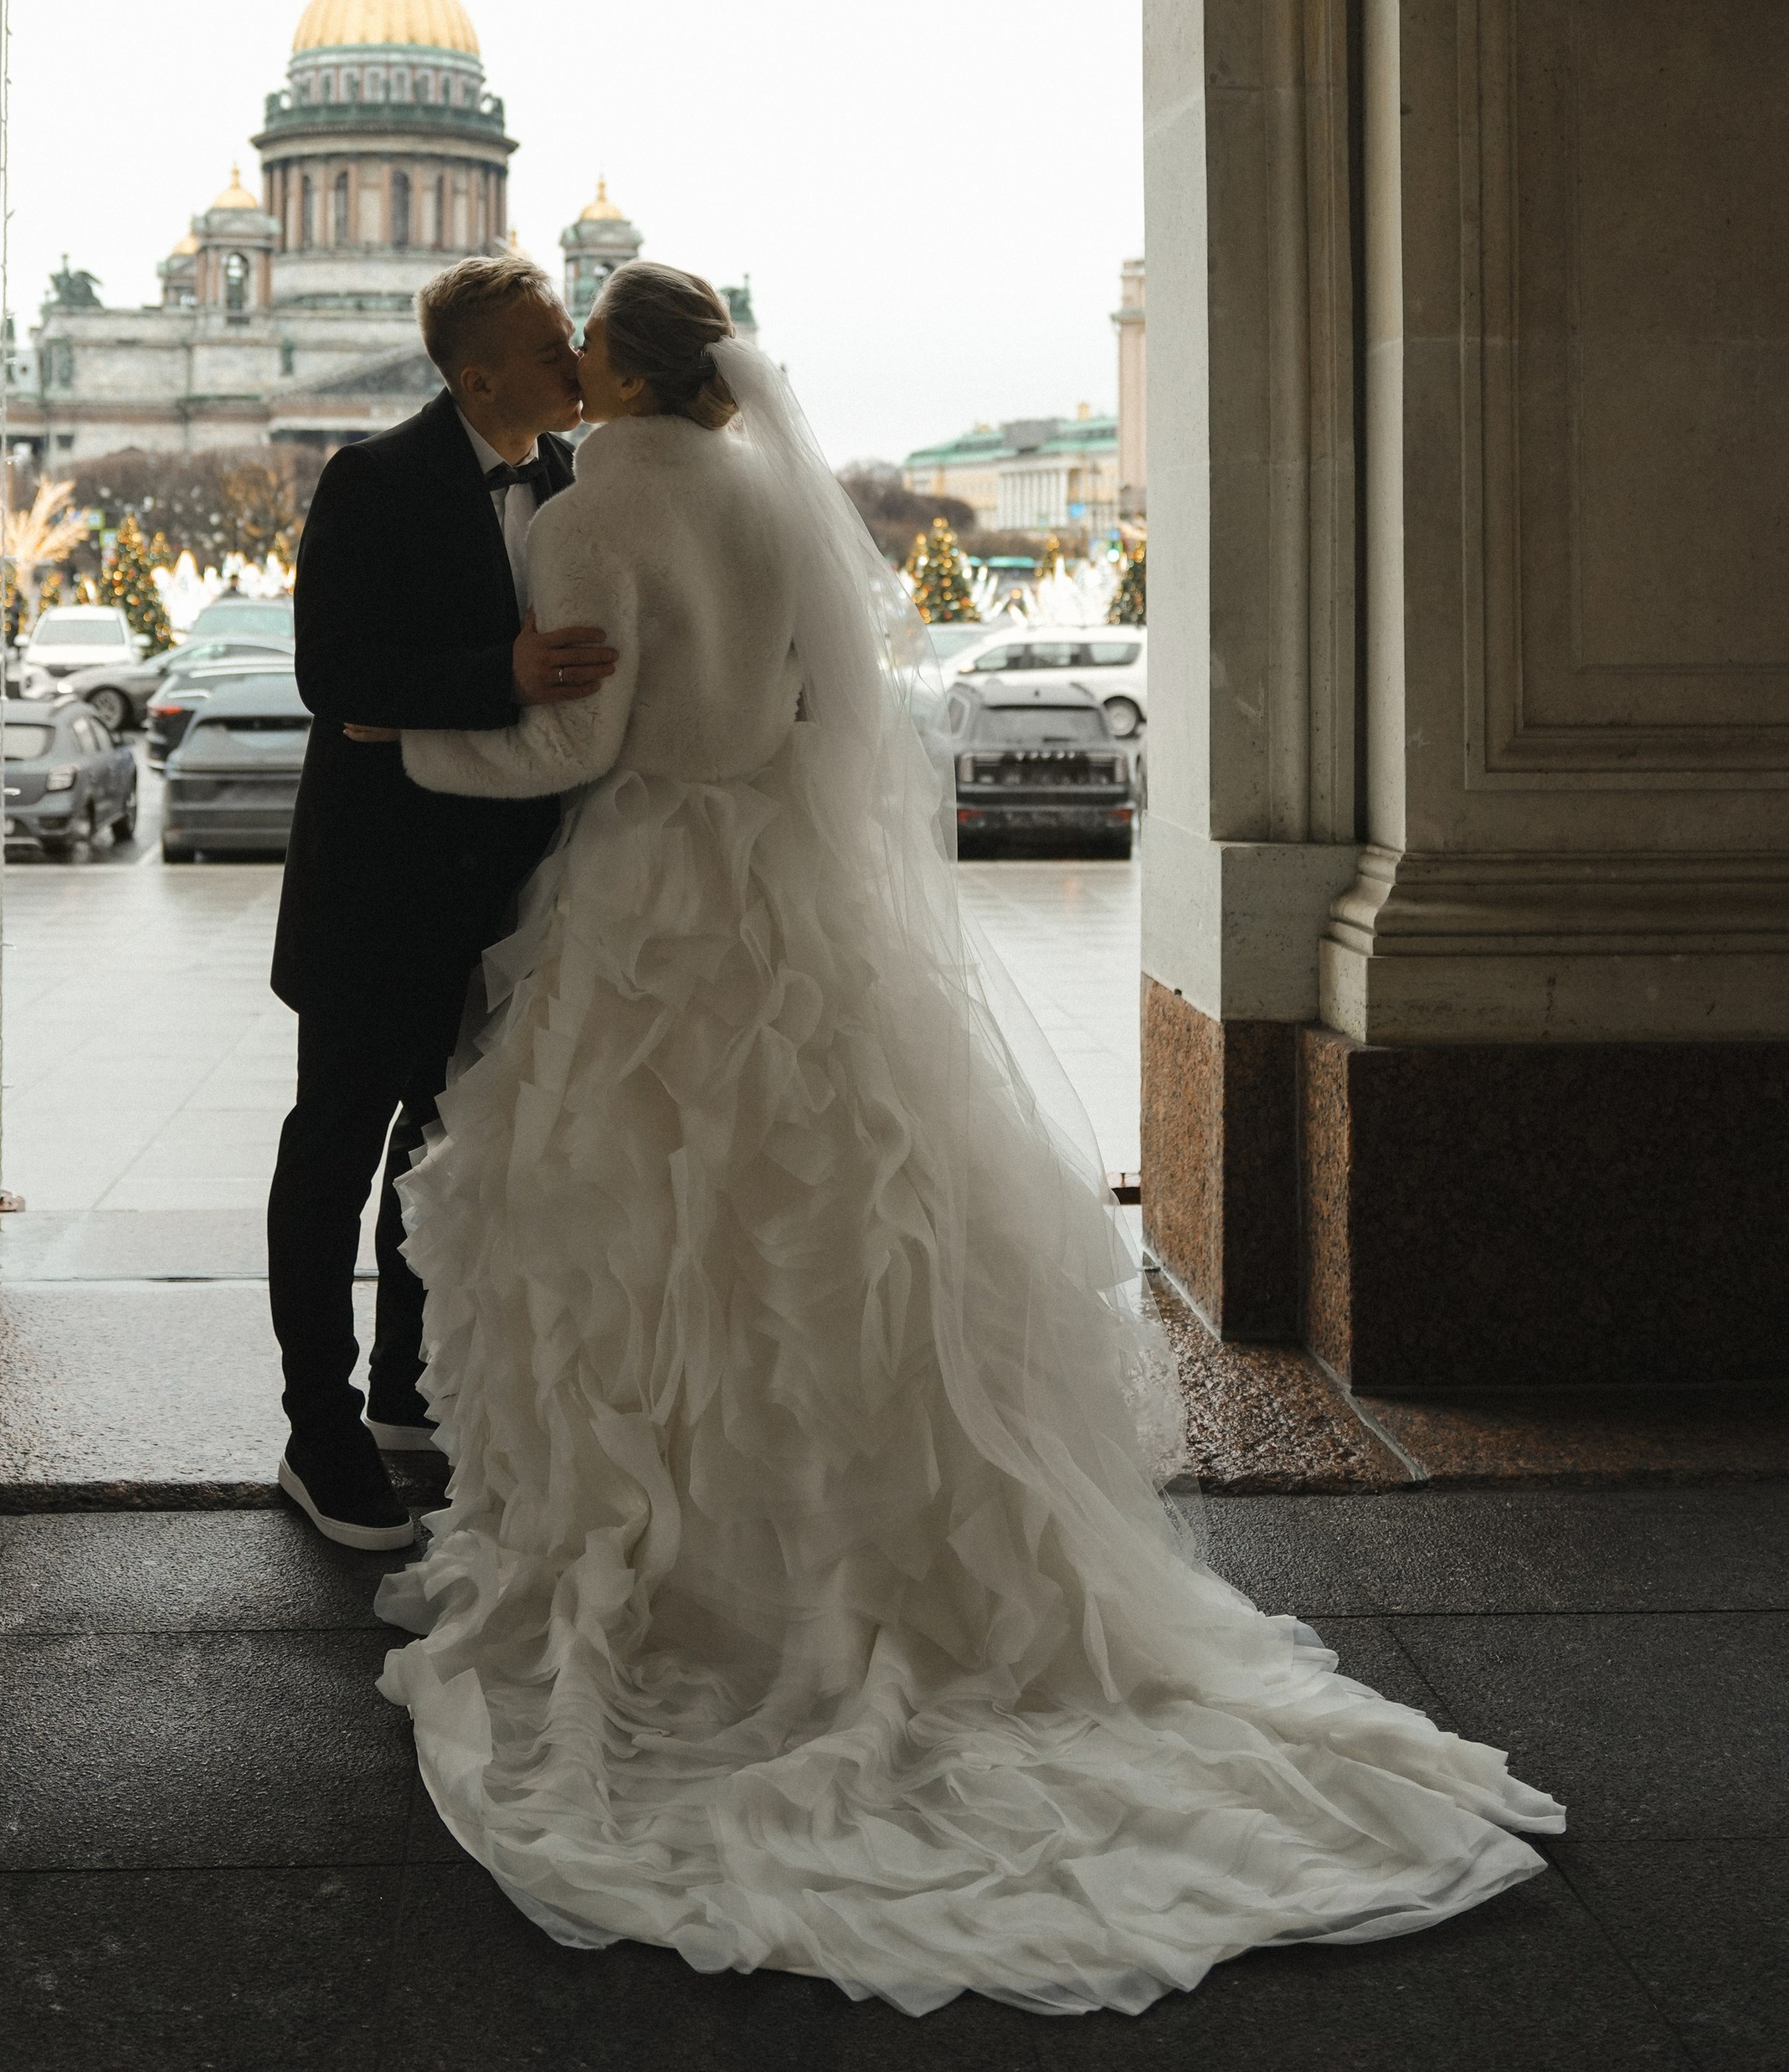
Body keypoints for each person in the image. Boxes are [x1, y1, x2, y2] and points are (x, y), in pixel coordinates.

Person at [372, 260, 1563, 2018]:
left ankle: (680, 1551)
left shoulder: (590, 507)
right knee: (834, 1221)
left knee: (643, 1236)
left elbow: (578, 740)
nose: (560, 364)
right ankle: (866, 1548)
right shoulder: (781, 501)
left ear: (612, 372)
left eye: (578, 342)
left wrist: (402, 739)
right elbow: (804, 721)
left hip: (645, 904)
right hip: (787, 903)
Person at [265, 255, 617, 1550]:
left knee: (446, 1147)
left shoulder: (579, 485)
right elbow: (332, 674)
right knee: (335, 1150)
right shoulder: (372, 478)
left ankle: (411, 1392)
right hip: (377, 892)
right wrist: (504, 671)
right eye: (546, 342)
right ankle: (320, 1428)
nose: (574, 356)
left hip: (514, 890)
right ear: (478, 376)